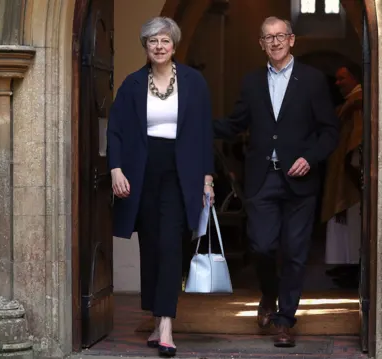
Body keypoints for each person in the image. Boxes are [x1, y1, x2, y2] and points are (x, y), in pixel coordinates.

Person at [213, 16, 339, 347]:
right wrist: (197, 122)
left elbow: (330, 132)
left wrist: (309, 158)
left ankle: (284, 321)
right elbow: (236, 123)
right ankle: (269, 294)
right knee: (262, 246)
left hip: (301, 181)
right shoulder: (251, 82)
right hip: (262, 179)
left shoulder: (312, 80)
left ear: (292, 39)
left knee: (296, 253)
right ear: (261, 43)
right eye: (268, 37)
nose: (275, 42)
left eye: (280, 36)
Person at [107, 16, 215, 357]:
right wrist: (115, 169)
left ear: (174, 45)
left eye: (164, 40)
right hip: (141, 171)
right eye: (152, 40)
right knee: (151, 246)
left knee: (171, 244)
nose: (158, 46)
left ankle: (167, 324)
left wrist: (207, 179)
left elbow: (203, 134)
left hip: (180, 171)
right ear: (145, 46)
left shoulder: (195, 83)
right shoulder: (133, 84)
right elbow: (116, 130)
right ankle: (156, 317)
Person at [321, 66, 363, 289]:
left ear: (354, 78)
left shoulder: (358, 101)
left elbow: (357, 137)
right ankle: (344, 263)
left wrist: (355, 164)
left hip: (350, 174)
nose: (337, 83)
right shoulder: (350, 102)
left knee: (352, 220)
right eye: (336, 79)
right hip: (340, 167)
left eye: (342, 78)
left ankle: (352, 264)